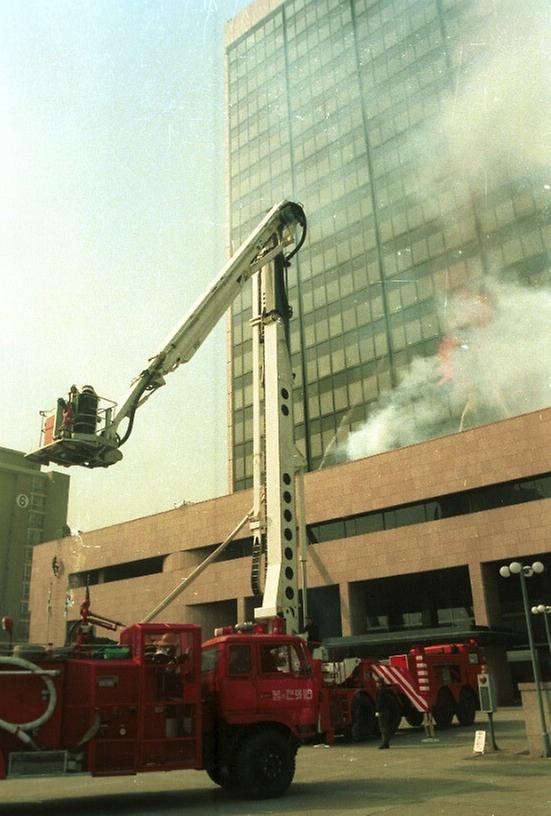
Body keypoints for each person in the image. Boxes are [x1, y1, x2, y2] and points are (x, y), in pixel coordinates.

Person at [375, 676, 395, 749]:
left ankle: (385, 743)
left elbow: (379, 702)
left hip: (382, 711)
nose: (376, 684)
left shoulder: (381, 691)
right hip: (386, 711)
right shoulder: (385, 690)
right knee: (385, 727)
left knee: (383, 728)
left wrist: (377, 710)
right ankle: (386, 743)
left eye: (377, 682)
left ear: (379, 683)